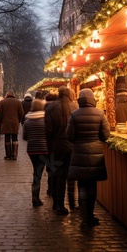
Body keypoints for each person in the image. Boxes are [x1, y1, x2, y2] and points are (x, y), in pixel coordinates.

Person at [66, 88, 110, 226]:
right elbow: (105, 135)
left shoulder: (74, 115)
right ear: (92, 99)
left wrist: (79, 142)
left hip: (79, 154)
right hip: (95, 156)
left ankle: (85, 218)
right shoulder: (100, 114)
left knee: (82, 186)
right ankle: (90, 216)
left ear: (79, 100)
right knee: (92, 186)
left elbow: (69, 135)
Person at [45, 86, 79, 215]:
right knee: (70, 174)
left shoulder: (51, 107)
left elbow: (48, 130)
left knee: (57, 174)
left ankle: (58, 203)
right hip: (71, 146)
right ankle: (71, 202)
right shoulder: (75, 107)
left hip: (56, 145)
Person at [23, 99, 49, 207]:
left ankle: (35, 197)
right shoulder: (46, 120)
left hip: (32, 150)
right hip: (44, 149)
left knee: (36, 172)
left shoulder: (27, 121)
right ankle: (37, 198)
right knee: (42, 172)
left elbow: (24, 137)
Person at [0, 89, 24, 160]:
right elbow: (21, 113)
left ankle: (8, 155)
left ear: (7, 95)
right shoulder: (18, 102)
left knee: (7, 138)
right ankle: (14, 155)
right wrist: (18, 120)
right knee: (15, 138)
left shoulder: (2, 102)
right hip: (15, 122)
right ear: (13, 95)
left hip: (5, 123)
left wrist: (0, 122)